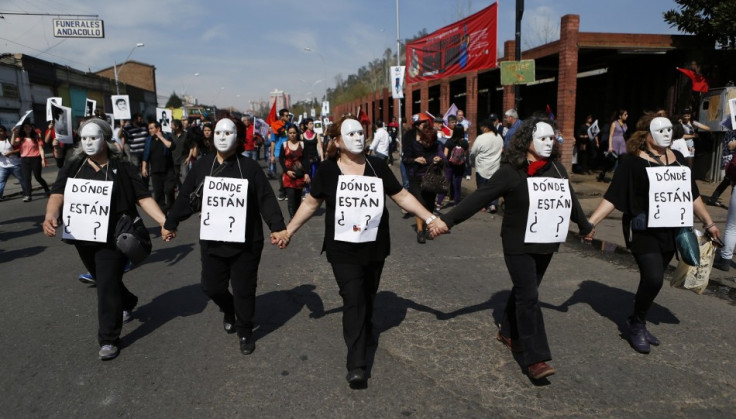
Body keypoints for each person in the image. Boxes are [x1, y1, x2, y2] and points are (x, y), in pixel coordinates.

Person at [271, 116, 439, 388]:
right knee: (353, 298)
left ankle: (367, 323)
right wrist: (288, 231)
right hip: (342, 249)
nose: (359, 137)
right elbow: (311, 203)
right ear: (337, 141)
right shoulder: (326, 170)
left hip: (374, 246)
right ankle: (357, 364)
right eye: (351, 133)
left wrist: (431, 219)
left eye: (362, 132)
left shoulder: (378, 166)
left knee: (368, 295)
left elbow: (402, 196)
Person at [430, 118, 592, 380]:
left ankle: (507, 330)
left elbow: (570, 198)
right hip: (518, 243)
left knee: (525, 291)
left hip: (546, 242)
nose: (549, 143)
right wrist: (446, 221)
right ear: (526, 141)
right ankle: (535, 358)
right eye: (542, 138)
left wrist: (584, 225)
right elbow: (479, 197)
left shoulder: (557, 169)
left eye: (552, 139)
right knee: (529, 297)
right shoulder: (511, 171)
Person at [586, 114, 719, 354]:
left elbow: (692, 194)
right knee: (654, 277)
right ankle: (636, 325)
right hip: (643, 229)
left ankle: (637, 318)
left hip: (671, 230)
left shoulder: (677, 159)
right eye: (662, 130)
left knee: (652, 282)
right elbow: (613, 196)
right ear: (646, 134)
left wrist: (709, 222)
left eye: (671, 130)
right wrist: (591, 222)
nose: (668, 134)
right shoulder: (631, 161)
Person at [43, 118, 167, 360]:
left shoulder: (122, 167)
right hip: (82, 236)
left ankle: (108, 338)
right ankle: (128, 300)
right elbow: (58, 192)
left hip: (113, 237)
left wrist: (163, 221)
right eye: (85, 138)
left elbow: (143, 197)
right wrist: (51, 214)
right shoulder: (74, 165)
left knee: (107, 282)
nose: (89, 143)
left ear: (106, 140)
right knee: (103, 279)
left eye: (94, 138)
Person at [163, 115, 287, 356]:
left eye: (227, 133)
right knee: (211, 287)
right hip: (213, 240)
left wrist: (277, 227)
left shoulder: (249, 168)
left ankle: (245, 330)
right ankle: (230, 310)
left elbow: (266, 199)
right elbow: (186, 196)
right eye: (218, 133)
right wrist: (171, 222)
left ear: (238, 137)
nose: (222, 137)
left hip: (246, 243)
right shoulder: (202, 166)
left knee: (243, 289)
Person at [402, 115, 443, 243]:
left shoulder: (436, 146)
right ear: (422, 139)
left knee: (430, 205)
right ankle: (420, 231)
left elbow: (443, 159)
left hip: (431, 178)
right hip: (416, 178)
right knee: (420, 204)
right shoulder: (414, 145)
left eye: (431, 143)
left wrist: (439, 159)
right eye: (427, 142)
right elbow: (405, 159)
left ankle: (427, 227)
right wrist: (415, 159)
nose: (428, 145)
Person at [142, 121, 177, 213]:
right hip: (155, 171)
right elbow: (146, 155)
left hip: (168, 170)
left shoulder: (166, 137)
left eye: (151, 128)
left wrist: (161, 137)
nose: (150, 130)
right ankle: (162, 212)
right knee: (158, 193)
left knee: (169, 190)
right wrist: (144, 167)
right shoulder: (149, 140)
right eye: (149, 128)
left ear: (158, 129)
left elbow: (171, 146)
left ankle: (171, 206)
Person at [469, 119, 503, 213]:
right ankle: (493, 204)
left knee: (482, 188)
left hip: (482, 167)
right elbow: (501, 150)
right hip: (495, 166)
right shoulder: (499, 137)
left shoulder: (481, 138)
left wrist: (472, 162)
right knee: (493, 188)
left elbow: (473, 152)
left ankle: (482, 205)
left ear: (485, 127)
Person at [13, 121, 50, 202]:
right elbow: (13, 144)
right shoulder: (20, 138)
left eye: (29, 126)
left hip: (35, 158)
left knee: (38, 177)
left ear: (31, 128)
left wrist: (43, 159)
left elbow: (40, 148)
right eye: (25, 127)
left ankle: (47, 189)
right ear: (23, 129)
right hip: (24, 160)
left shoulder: (36, 137)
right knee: (27, 178)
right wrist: (14, 133)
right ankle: (28, 195)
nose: (27, 128)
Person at [279, 125, 310, 218]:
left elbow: (306, 160)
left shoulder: (302, 144)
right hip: (288, 176)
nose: (292, 135)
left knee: (297, 197)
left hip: (300, 175)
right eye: (290, 133)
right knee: (291, 197)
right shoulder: (284, 145)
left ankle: (296, 215)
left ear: (297, 133)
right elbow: (281, 159)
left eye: (294, 133)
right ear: (288, 134)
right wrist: (286, 171)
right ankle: (292, 218)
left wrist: (307, 173)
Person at [436, 126, 468, 210]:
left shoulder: (449, 141)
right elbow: (465, 155)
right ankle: (456, 203)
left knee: (445, 183)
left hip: (449, 166)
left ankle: (439, 203)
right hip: (460, 167)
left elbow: (445, 155)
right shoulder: (464, 142)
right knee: (457, 185)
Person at [598, 109, 628, 182]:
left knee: (622, 161)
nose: (627, 116)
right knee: (611, 161)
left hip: (622, 144)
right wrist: (610, 146)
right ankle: (603, 173)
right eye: (625, 114)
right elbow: (611, 135)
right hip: (615, 143)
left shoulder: (625, 124)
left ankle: (618, 177)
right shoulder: (614, 123)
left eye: (627, 114)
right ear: (620, 116)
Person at [0, 124, 27, 200]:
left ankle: (26, 194)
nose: (0, 133)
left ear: (5, 132)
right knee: (1, 181)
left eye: (1, 131)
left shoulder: (10, 139)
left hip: (15, 165)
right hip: (3, 166)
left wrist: (11, 153)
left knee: (22, 180)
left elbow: (19, 149)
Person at [270, 109, 291, 200]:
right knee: (279, 173)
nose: (288, 117)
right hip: (278, 152)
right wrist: (272, 155)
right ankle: (282, 189)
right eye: (286, 115)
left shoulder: (290, 126)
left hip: (289, 152)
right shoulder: (275, 126)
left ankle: (287, 191)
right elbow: (273, 142)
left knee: (288, 173)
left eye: (288, 115)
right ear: (281, 116)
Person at [170, 119, 196, 187]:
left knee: (184, 176)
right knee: (176, 177)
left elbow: (191, 147)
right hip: (174, 160)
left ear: (177, 126)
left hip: (183, 159)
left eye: (172, 125)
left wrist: (189, 158)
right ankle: (180, 189)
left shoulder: (186, 135)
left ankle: (187, 190)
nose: (171, 127)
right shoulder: (171, 136)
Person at [301, 118, 323, 194]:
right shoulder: (302, 136)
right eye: (310, 124)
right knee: (307, 175)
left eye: (312, 123)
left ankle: (313, 190)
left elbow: (320, 147)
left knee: (313, 175)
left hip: (314, 158)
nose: (312, 125)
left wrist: (322, 158)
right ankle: (307, 190)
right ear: (306, 125)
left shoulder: (317, 135)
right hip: (305, 158)